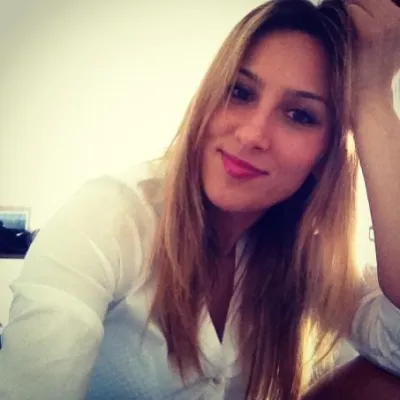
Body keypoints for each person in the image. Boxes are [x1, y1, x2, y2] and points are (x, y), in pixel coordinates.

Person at [0, 0, 399, 399]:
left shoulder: (298, 255)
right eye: (240, 92)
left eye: (300, 115)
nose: (252, 134)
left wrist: (372, 97)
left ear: (325, 155)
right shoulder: (107, 219)